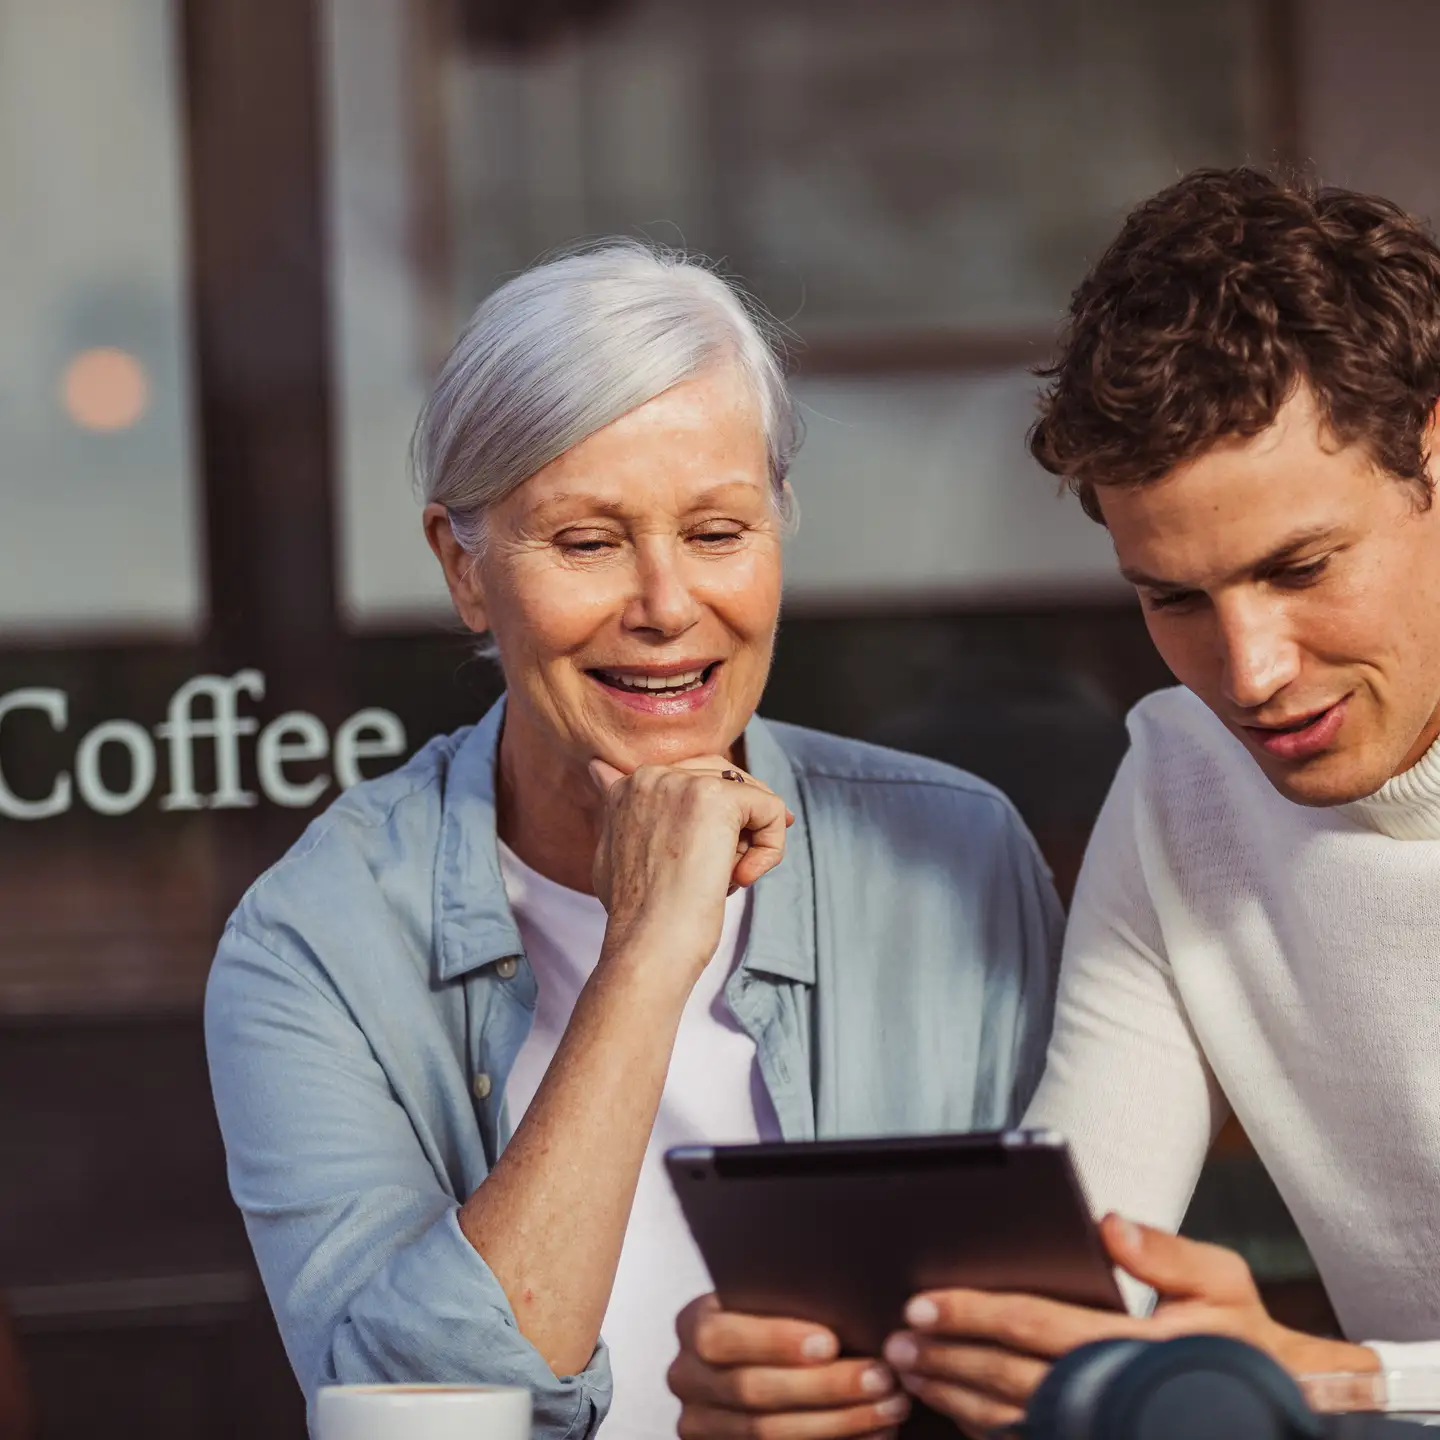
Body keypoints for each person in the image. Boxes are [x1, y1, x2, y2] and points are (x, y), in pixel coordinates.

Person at [204, 241, 1062, 1440]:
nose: (666, 606)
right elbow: (416, 1418)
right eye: (589, 542)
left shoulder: (958, 854)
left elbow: (1069, 1358)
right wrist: (648, 951)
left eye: (717, 532)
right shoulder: (313, 946)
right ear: (465, 569)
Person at [668, 168, 1440, 1438]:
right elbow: (1085, 1280)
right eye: (1173, 599)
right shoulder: (1185, 779)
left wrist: (1346, 1377)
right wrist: (848, 1365)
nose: (1248, 674)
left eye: (1300, 568)